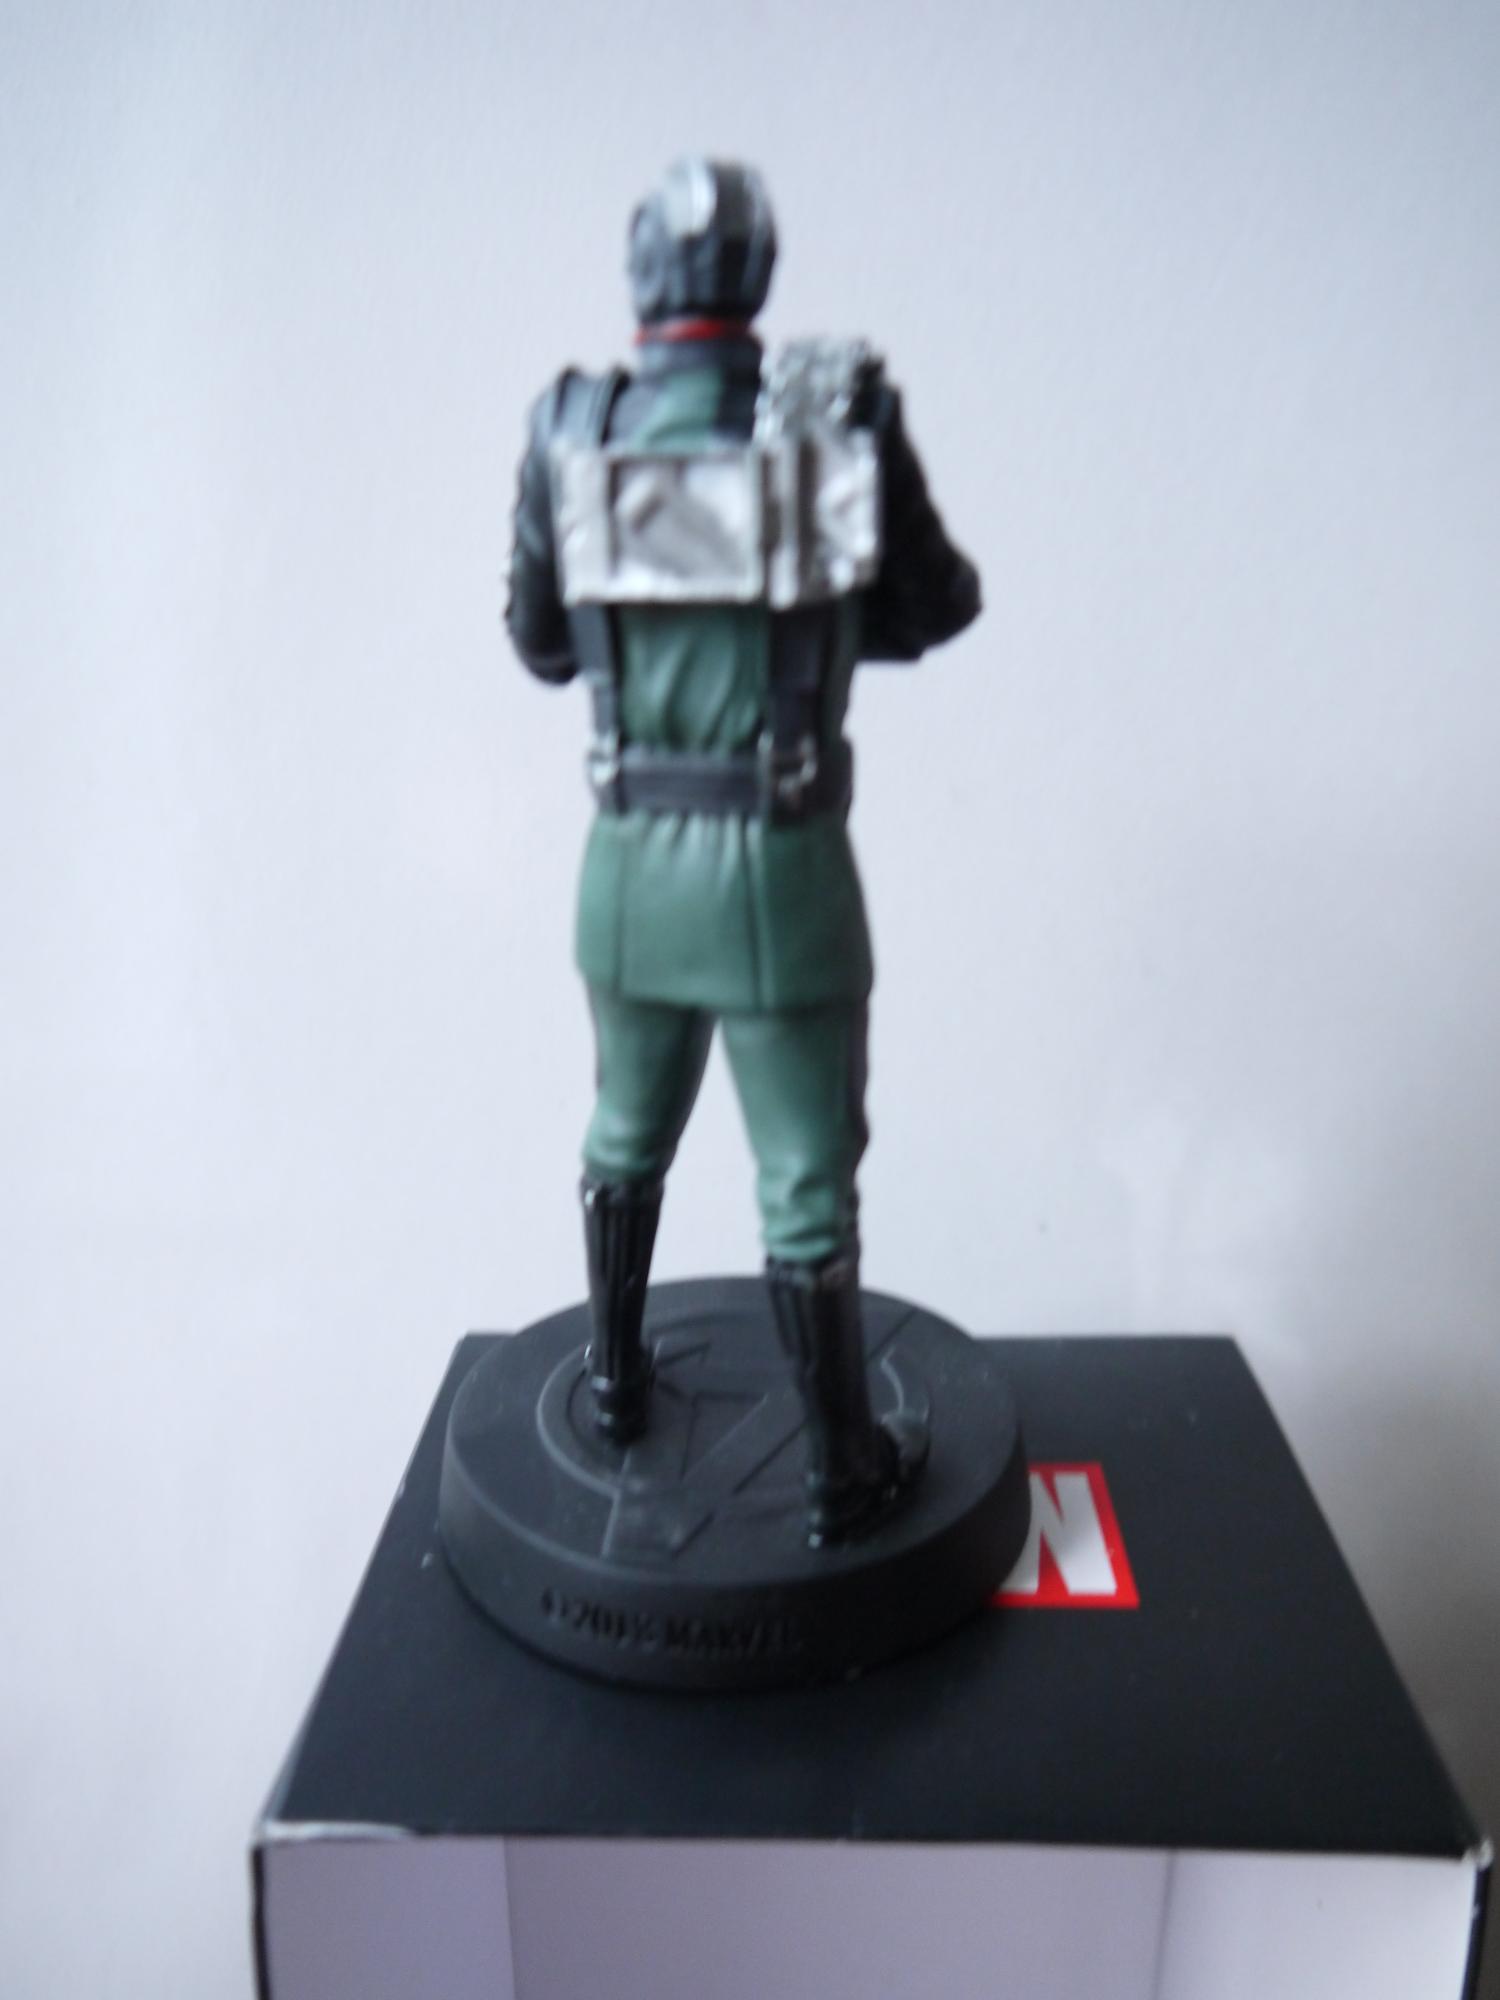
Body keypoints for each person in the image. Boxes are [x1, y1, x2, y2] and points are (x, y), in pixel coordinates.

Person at [505, 158, 980, 1544]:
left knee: (623, 1132)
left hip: (628, 872)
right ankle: (841, 1471)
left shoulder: (570, 427)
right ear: (758, 278)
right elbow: (936, 603)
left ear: (640, 281)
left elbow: (540, 642)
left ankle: (612, 1387)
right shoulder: (838, 419)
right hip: (779, 872)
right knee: (807, 1184)